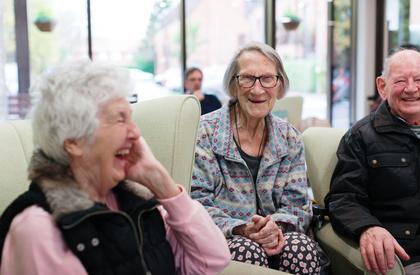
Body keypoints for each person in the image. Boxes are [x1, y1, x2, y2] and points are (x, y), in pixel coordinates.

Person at [0, 61, 231, 275]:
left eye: (131, 117)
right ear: (73, 141)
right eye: (120, 120)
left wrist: (163, 183)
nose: (136, 132)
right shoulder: (39, 231)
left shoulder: (136, 201)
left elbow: (213, 260)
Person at [191, 42, 322, 274]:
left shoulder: (289, 137)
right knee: (246, 250)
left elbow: (299, 205)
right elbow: (198, 203)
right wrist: (242, 229)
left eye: (267, 79)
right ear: (233, 85)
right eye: (248, 78)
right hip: (226, 239)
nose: (258, 89)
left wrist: (275, 226)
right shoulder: (205, 132)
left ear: (279, 85)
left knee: (302, 247)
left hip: (279, 237)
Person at [325, 48, 420, 275]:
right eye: (400, 81)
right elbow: (343, 198)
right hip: (406, 255)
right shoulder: (362, 136)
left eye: (418, 79)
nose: (411, 88)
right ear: (382, 86)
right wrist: (368, 228)